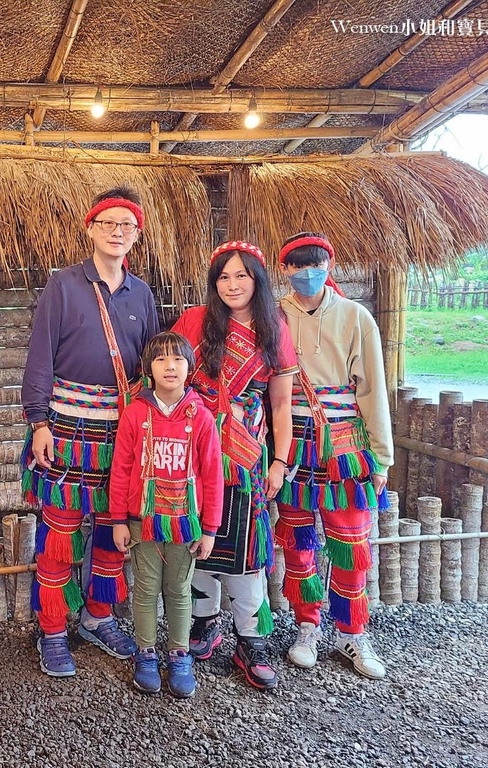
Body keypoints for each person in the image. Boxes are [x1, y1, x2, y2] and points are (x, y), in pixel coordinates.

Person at [21, 186, 160, 677]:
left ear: (136, 235)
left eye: (127, 226)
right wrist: (39, 421)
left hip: (121, 434)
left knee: (111, 529)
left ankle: (97, 617)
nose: (117, 232)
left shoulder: (141, 294)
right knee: (59, 532)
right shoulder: (63, 286)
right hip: (63, 425)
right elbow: (40, 357)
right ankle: (53, 628)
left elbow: (153, 366)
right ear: (91, 228)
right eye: (109, 224)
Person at [171, 240, 297, 690]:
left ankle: (251, 639)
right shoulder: (196, 322)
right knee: (200, 537)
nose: (231, 284)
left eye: (241, 275)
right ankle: (204, 626)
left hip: (247, 454)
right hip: (197, 447)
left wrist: (279, 462)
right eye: (223, 276)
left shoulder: (274, 329)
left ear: (257, 280)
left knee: (246, 546)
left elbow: (281, 403)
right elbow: (172, 377)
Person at [275, 231, 393, 680]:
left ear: (330, 264)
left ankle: (352, 634)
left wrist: (381, 457)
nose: (307, 272)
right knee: (299, 542)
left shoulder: (356, 316)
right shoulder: (274, 316)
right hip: (293, 443)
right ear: (284, 271)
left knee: (350, 544)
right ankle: (307, 626)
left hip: (346, 445)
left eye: (315, 263)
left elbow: (373, 389)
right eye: (297, 265)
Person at [109, 331, 223, 698]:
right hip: (142, 520)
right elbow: (122, 467)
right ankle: (145, 653)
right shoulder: (135, 413)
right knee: (144, 589)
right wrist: (117, 519)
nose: (169, 366)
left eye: (177, 359)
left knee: (177, 590)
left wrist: (210, 529)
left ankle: (178, 654)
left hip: (184, 522)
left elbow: (213, 475)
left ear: (190, 367)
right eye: (160, 359)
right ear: (148, 368)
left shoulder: (201, 418)